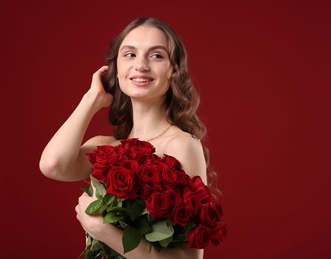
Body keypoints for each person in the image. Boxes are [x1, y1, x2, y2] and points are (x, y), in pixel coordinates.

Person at [39, 17, 219, 259]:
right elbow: (53, 165)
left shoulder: (182, 145)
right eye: (130, 55)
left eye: (156, 56)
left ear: (174, 70)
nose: (141, 65)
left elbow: (190, 258)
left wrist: (103, 231)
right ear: (115, 68)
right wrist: (91, 100)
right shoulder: (106, 146)